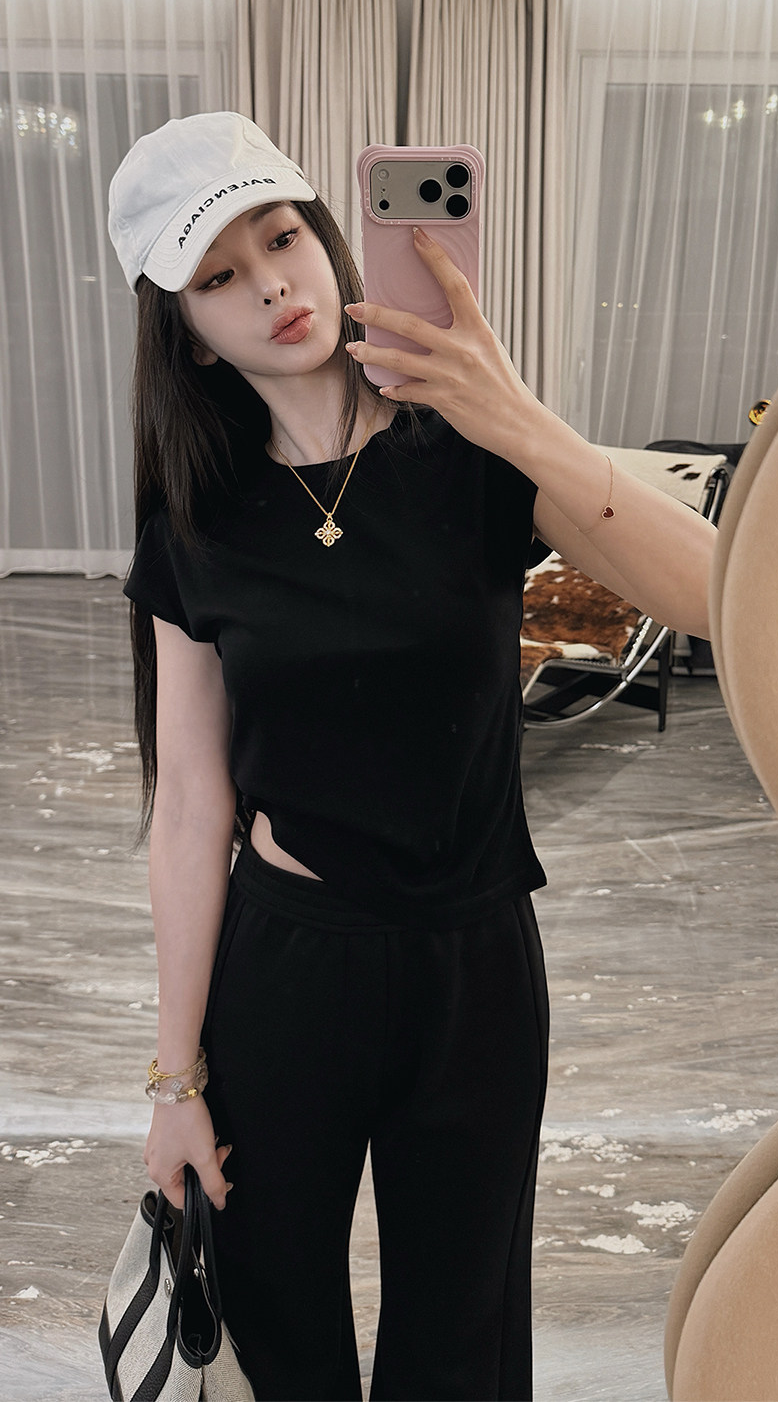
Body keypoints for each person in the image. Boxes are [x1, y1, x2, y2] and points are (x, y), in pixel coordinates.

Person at [107, 111, 715, 1401]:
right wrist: (174, 1078)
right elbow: (190, 806)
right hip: (287, 969)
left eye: (283, 238)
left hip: (471, 967)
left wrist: (518, 417)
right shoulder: (196, 520)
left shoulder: (473, 453)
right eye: (219, 275)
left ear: (331, 240)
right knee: (277, 1319)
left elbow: (721, 594)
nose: (272, 286)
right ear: (188, 330)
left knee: (461, 1334)